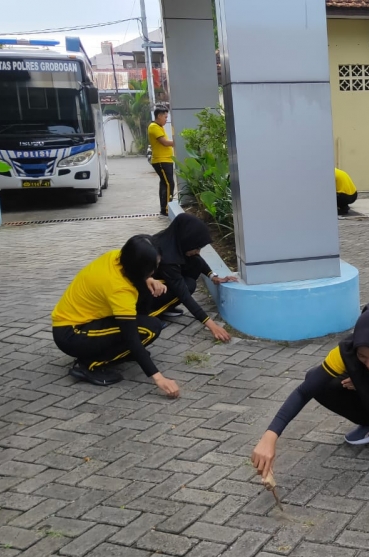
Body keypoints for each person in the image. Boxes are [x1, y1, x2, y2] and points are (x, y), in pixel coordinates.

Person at [250, 300, 369, 474]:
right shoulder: (345, 349)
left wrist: (365, 381)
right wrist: (270, 436)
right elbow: (305, 390)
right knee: (321, 383)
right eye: (362, 356)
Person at [51, 235, 181, 397]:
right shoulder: (119, 289)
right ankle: (87, 365)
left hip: (84, 322)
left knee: (144, 293)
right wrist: (159, 378)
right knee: (150, 329)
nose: (155, 270)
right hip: (72, 334)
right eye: (153, 267)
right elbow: (131, 337)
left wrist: (148, 279)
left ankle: (117, 352)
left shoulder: (115, 256)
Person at [149, 214, 238, 343]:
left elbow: (197, 260)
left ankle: (166, 307)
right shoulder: (166, 259)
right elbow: (184, 295)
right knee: (188, 286)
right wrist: (212, 326)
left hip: (161, 282)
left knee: (194, 262)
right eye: (197, 248)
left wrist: (213, 276)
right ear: (187, 240)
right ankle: (154, 312)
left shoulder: (173, 240)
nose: (198, 252)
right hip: (146, 296)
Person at [148, 108, 175, 216]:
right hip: (161, 160)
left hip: (165, 160)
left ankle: (164, 208)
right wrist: (178, 141)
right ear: (159, 115)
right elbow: (165, 142)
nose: (166, 119)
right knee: (169, 184)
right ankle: (167, 209)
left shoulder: (159, 127)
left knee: (165, 184)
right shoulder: (154, 127)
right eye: (165, 117)